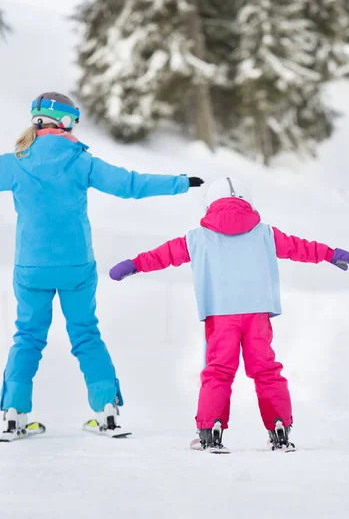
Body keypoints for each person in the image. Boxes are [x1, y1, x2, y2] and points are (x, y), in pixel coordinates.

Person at [0, 91, 204, 437]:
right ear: (64, 122)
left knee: (28, 337)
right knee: (85, 335)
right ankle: (107, 413)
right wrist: (180, 183)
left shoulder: (15, 161)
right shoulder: (81, 161)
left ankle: (12, 415)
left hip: (31, 268)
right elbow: (130, 185)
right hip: (77, 267)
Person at [109, 176, 349, 452]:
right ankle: (279, 427)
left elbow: (163, 255)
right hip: (257, 315)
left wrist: (134, 264)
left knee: (218, 371)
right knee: (266, 370)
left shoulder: (197, 237)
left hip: (221, 314)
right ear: (247, 202)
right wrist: (330, 254)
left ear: (210, 204)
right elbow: (300, 247)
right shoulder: (265, 234)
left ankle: (211, 430)